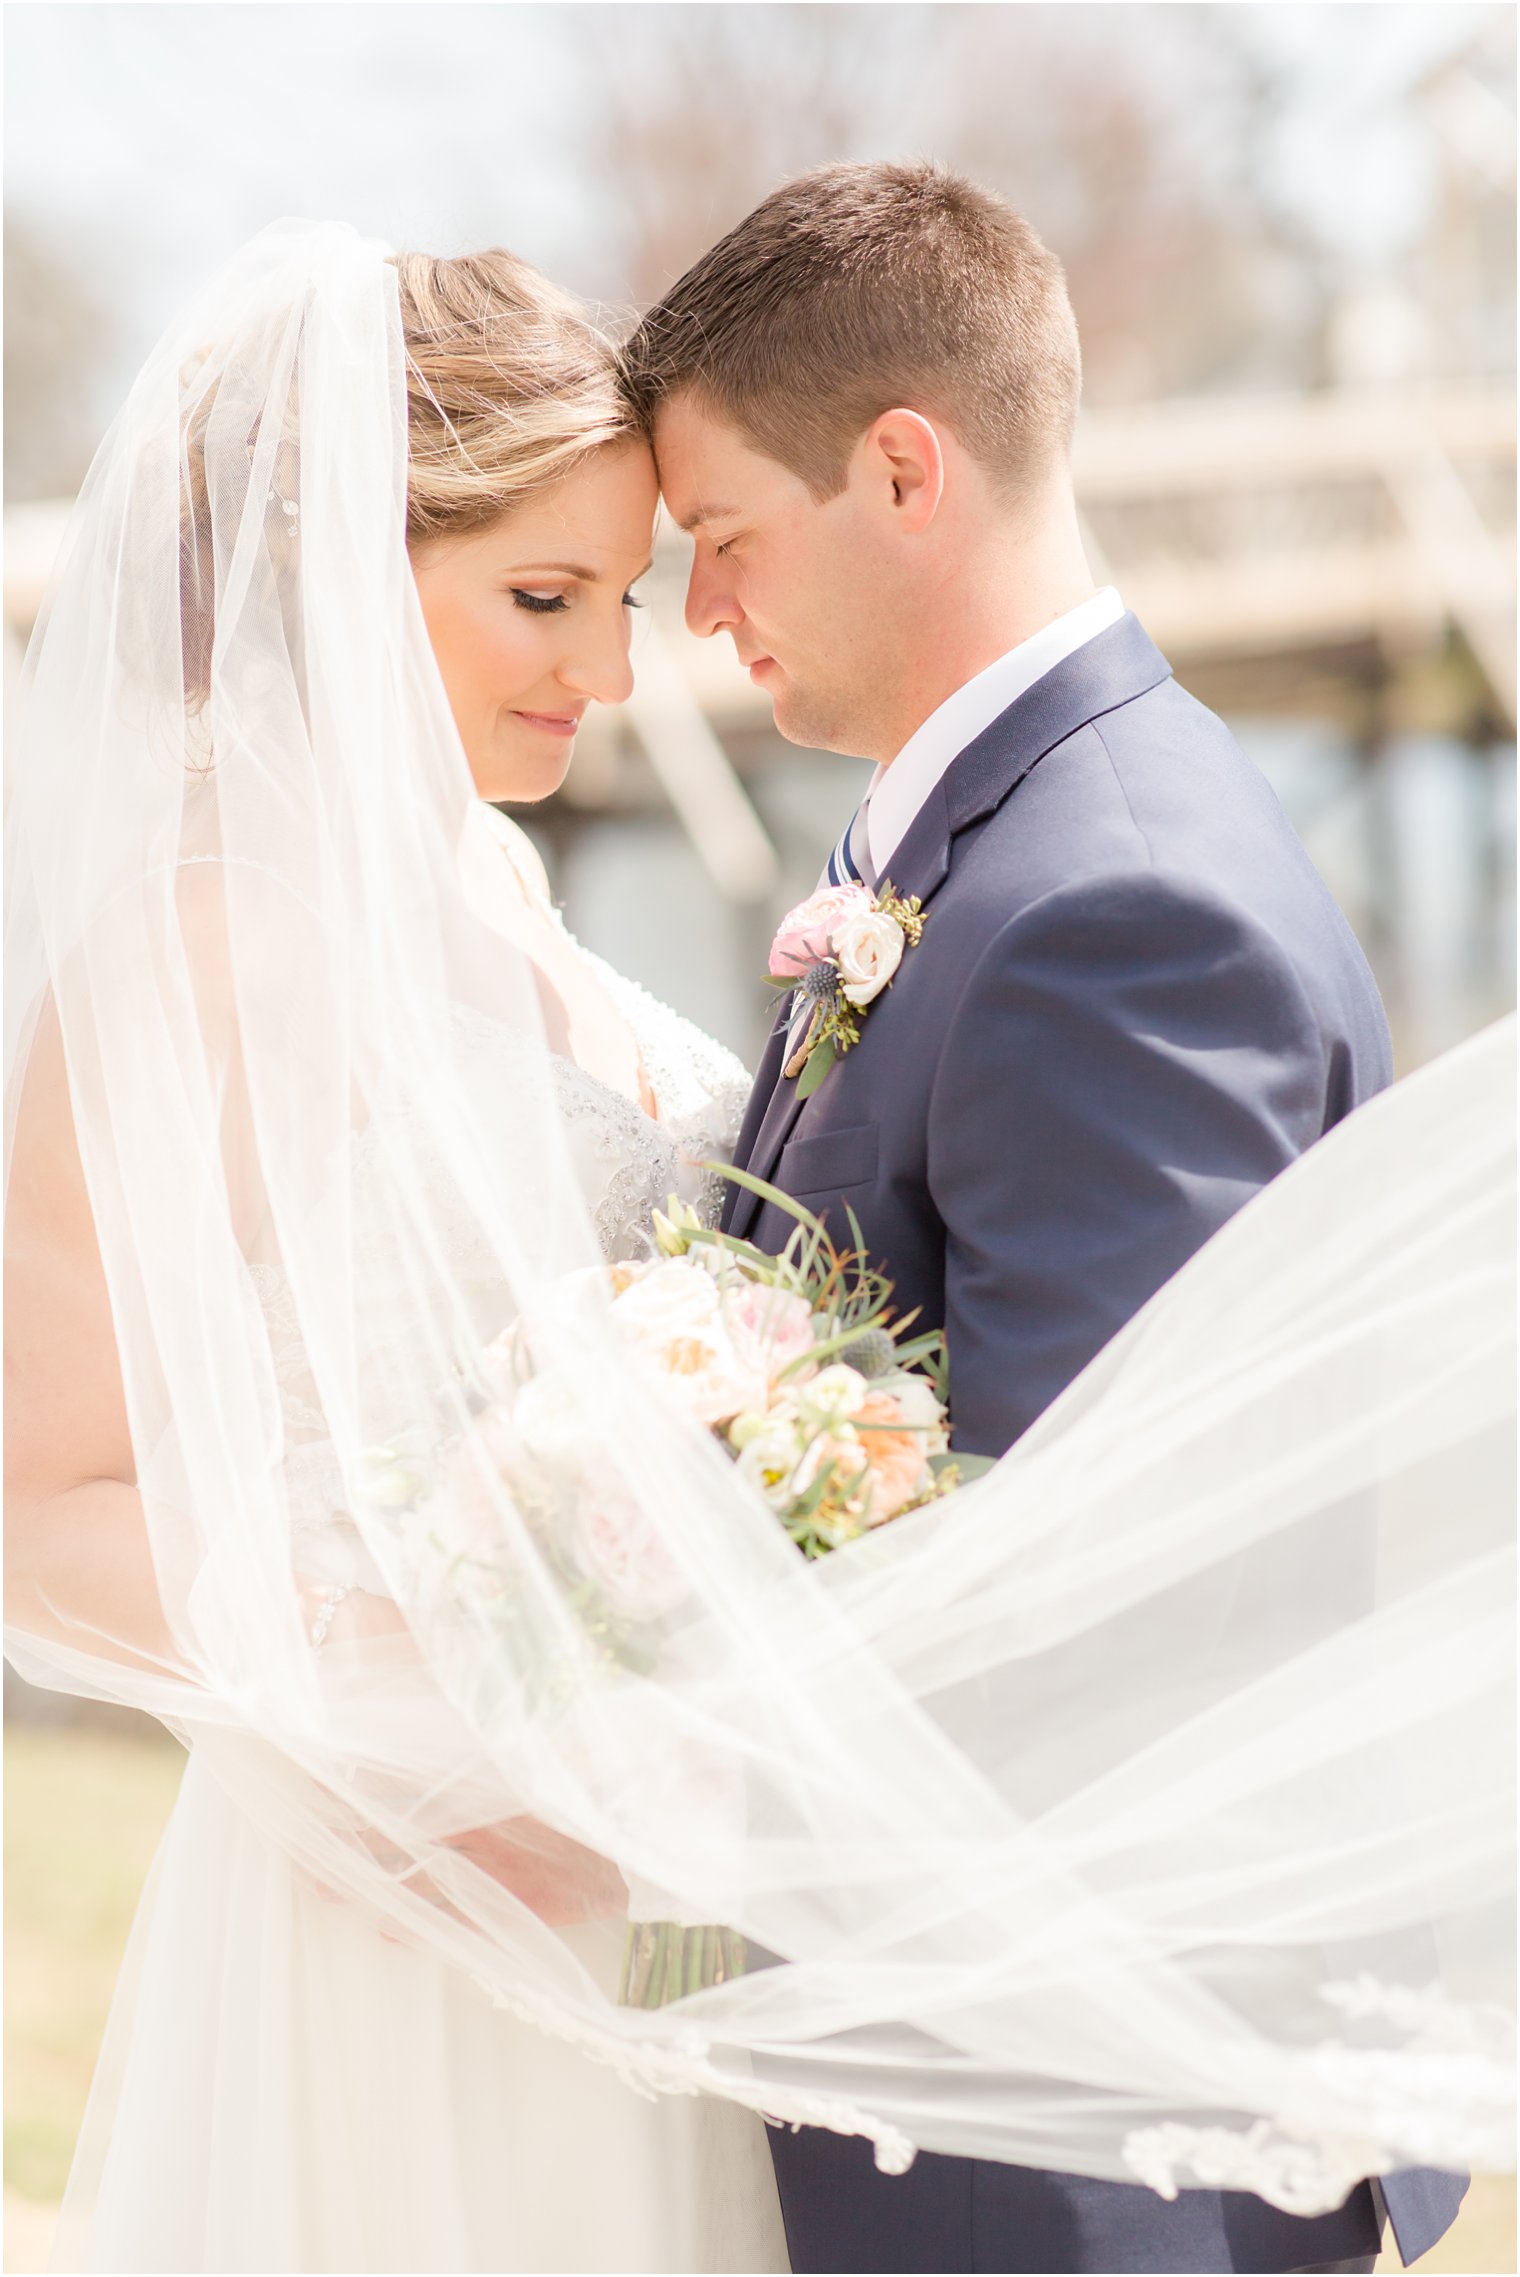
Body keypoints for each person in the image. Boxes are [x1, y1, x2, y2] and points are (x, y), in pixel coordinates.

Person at [620, 159, 1468, 2277]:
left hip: (1067, 2133)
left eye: (720, 536)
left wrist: (626, 1619)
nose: (700, 616)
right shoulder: (979, 851)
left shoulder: (1112, 902)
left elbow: (1095, 1594)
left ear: (901, 467)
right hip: (973, 2070)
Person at [5, 224, 788, 2275]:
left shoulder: (501, 877)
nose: (608, 671)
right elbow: (44, 1499)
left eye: (614, 599)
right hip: (401, 1897)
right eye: (538, 598)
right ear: (336, 561)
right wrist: (416, 1718)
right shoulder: (200, 930)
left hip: (649, 1878)